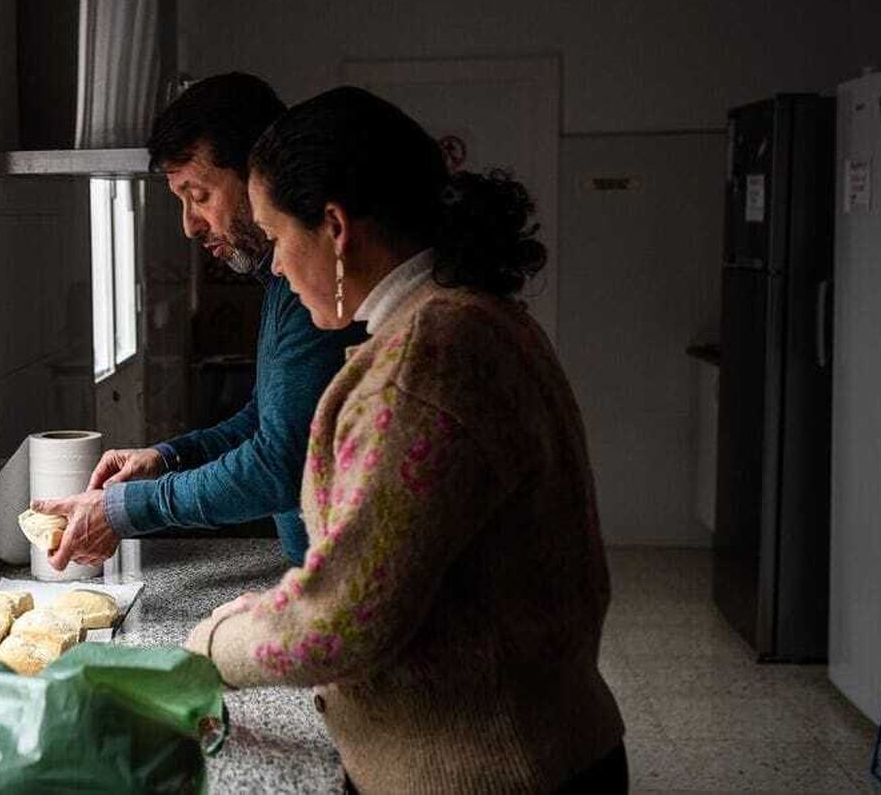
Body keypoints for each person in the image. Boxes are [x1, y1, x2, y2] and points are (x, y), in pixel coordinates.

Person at [184, 87, 626, 793]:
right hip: (550, 740)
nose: (272, 267)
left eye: (275, 238)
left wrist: (207, 646)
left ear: (334, 227)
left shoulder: (424, 363)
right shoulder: (475, 318)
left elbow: (340, 619)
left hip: (486, 771)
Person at [36, 73, 367, 571]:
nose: (189, 225)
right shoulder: (285, 280)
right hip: (323, 582)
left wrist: (125, 510)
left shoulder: (321, 289)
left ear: (260, 174)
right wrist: (167, 457)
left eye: (200, 195)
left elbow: (279, 465)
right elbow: (267, 420)